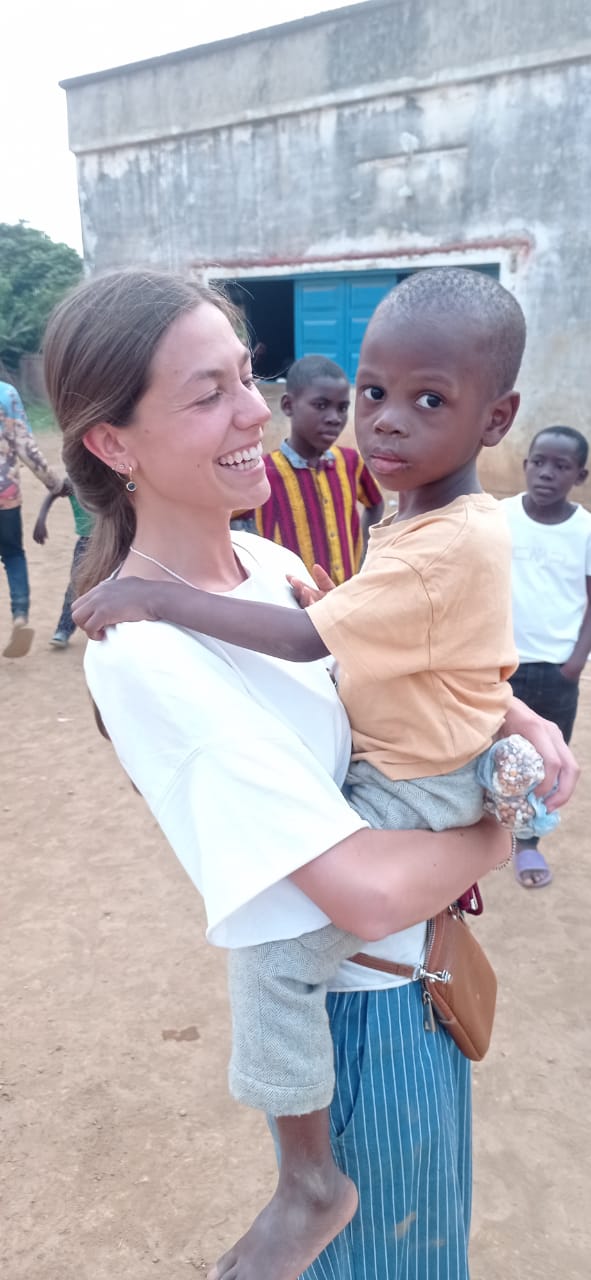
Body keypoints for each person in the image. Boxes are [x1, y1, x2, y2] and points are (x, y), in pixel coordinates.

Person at [44, 268, 576, 1280]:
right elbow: (362, 892)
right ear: (113, 444)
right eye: (208, 393)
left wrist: (513, 715)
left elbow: (393, 654)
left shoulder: (271, 565)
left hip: (420, 987)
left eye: (248, 375)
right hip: (356, 1021)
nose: (257, 409)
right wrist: (503, 825)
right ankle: (308, 1183)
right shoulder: (143, 649)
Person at [501, 425, 591, 888]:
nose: (547, 473)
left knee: (545, 759)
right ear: (526, 465)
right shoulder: (499, 518)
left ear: (581, 475)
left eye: (561, 466)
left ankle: (528, 841)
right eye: (539, 462)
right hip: (500, 665)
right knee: (487, 749)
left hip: (557, 670)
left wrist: (576, 661)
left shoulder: (586, 531)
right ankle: (479, 832)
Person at [240, 355, 384, 583]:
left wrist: (363, 552)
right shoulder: (261, 473)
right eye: (321, 405)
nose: (335, 418)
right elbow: (226, 520)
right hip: (292, 601)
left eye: (342, 408)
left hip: (345, 594)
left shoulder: (351, 462)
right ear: (288, 406)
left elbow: (375, 503)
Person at [0, 380, 63, 657]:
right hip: (5, 496)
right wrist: (53, 483)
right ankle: (20, 615)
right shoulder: (6, 394)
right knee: (13, 555)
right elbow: (26, 447)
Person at [33, 479, 95, 648]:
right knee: (76, 585)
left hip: (113, 539)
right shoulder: (74, 482)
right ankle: (63, 629)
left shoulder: (108, 479)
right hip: (86, 541)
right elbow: (53, 494)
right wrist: (41, 519)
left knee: (115, 583)